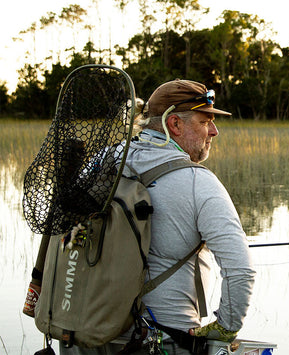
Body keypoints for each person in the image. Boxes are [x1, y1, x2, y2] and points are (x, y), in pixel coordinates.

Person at [61, 79, 255, 355]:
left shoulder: (105, 158)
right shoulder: (199, 183)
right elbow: (240, 270)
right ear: (174, 124)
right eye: (205, 121)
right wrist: (224, 328)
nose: (214, 131)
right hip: (162, 342)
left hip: (84, 336)